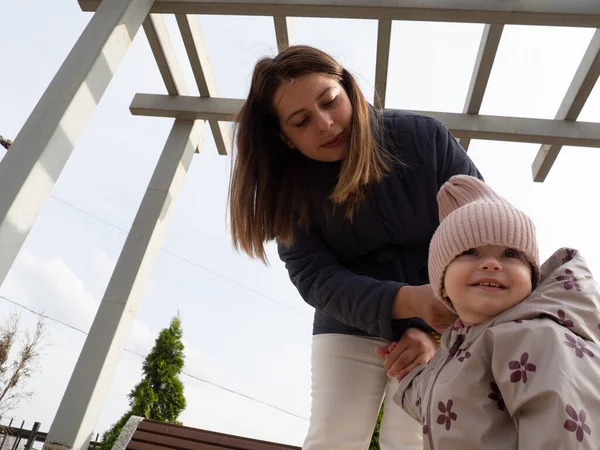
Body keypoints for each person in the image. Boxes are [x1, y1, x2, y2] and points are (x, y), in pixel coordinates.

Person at [228, 44, 482, 449]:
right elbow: (316, 278)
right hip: (348, 321)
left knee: (417, 438)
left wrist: (429, 329)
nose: (326, 125)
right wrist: (406, 304)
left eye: (330, 101)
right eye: (301, 121)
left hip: (446, 317)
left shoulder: (423, 138)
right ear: (284, 137)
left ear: (348, 87)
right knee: (334, 438)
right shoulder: (289, 191)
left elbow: (481, 232)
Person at [388, 174, 600, 449]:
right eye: (470, 252)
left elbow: (563, 428)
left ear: (532, 277)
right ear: (441, 283)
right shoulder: (458, 350)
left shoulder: (536, 336)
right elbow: (444, 403)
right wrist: (411, 381)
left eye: (510, 254)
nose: (491, 264)